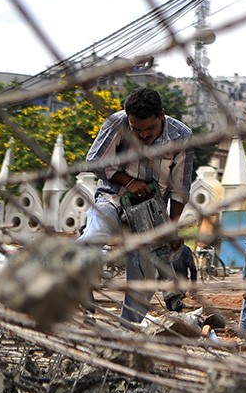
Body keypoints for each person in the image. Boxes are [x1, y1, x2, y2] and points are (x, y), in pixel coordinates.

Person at [77, 87, 194, 323]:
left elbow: (180, 189)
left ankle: (127, 332)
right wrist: (129, 182)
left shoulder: (181, 136)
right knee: (94, 235)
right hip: (113, 197)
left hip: (151, 213)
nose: (142, 135)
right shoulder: (116, 123)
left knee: (143, 276)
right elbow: (95, 162)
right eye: (136, 130)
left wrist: (169, 229)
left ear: (161, 115)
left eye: (149, 129)